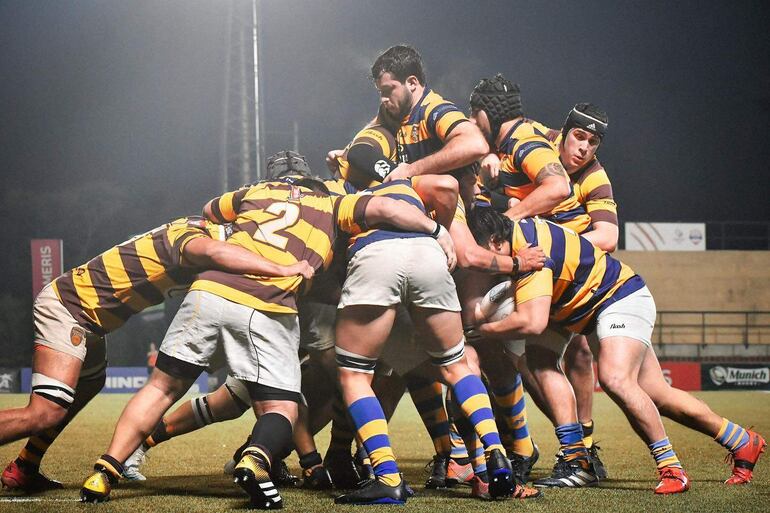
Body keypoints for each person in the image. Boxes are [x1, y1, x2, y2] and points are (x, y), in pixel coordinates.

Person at [78, 175, 458, 508]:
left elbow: (210, 211)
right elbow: (390, 209)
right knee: (283, 405)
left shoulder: (254, 191)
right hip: (270, 305)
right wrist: (438, 231)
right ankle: (256, 458)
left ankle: (105, 470)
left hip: (210, 290)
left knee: (163, 387)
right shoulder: (334, 204)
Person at [0, 215, 313, 493]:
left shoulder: (195, 230)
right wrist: (283, 267)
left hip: (91, 320)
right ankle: (29, 466)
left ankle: (25, 466)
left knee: (89, 385)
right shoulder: (196, 234)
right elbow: (216, 252)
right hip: (70, 308)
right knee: (45, 411)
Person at [469, 207, 767, 493]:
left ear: (495, 241)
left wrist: (482, 330)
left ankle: (671, 468)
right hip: (583, 307)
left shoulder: (531, 251)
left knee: (615, 378)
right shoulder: (520, 239)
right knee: (545, 363)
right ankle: (741, 440)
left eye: (483, 255)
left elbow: (532, 323)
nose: (482, 265)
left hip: (616, 298)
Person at [332, 179, 538, 505]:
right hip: (429, 259)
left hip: (375, 258)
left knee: (356, 376)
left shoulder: (347, 195)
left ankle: (386, 477)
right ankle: (492, 458)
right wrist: (439, 228)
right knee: (458, 366)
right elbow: (446, 185)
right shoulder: (413, 186)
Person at [371, 44, 488, 208]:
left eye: (388, 90)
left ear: (412, 83)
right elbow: (370, 131)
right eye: (380, 92)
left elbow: (476, 145)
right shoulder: (393, 111)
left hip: (458, 209)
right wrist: (345, 154)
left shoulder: (434, 110)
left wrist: (410, 170)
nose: (383, 98)